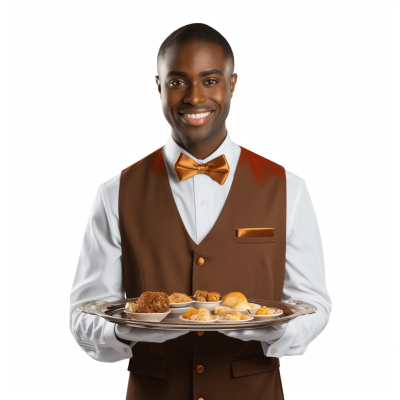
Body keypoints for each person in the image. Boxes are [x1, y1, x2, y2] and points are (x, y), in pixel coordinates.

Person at [69, 23, 332, 400]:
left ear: (232, 84)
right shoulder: (116, 193)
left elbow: (314, 304)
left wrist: (277, 330)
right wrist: (126, 329)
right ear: (157, 85)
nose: (195, 97)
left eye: (210, 80)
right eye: (177, 82)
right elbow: (83, 314)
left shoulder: (287, 187)